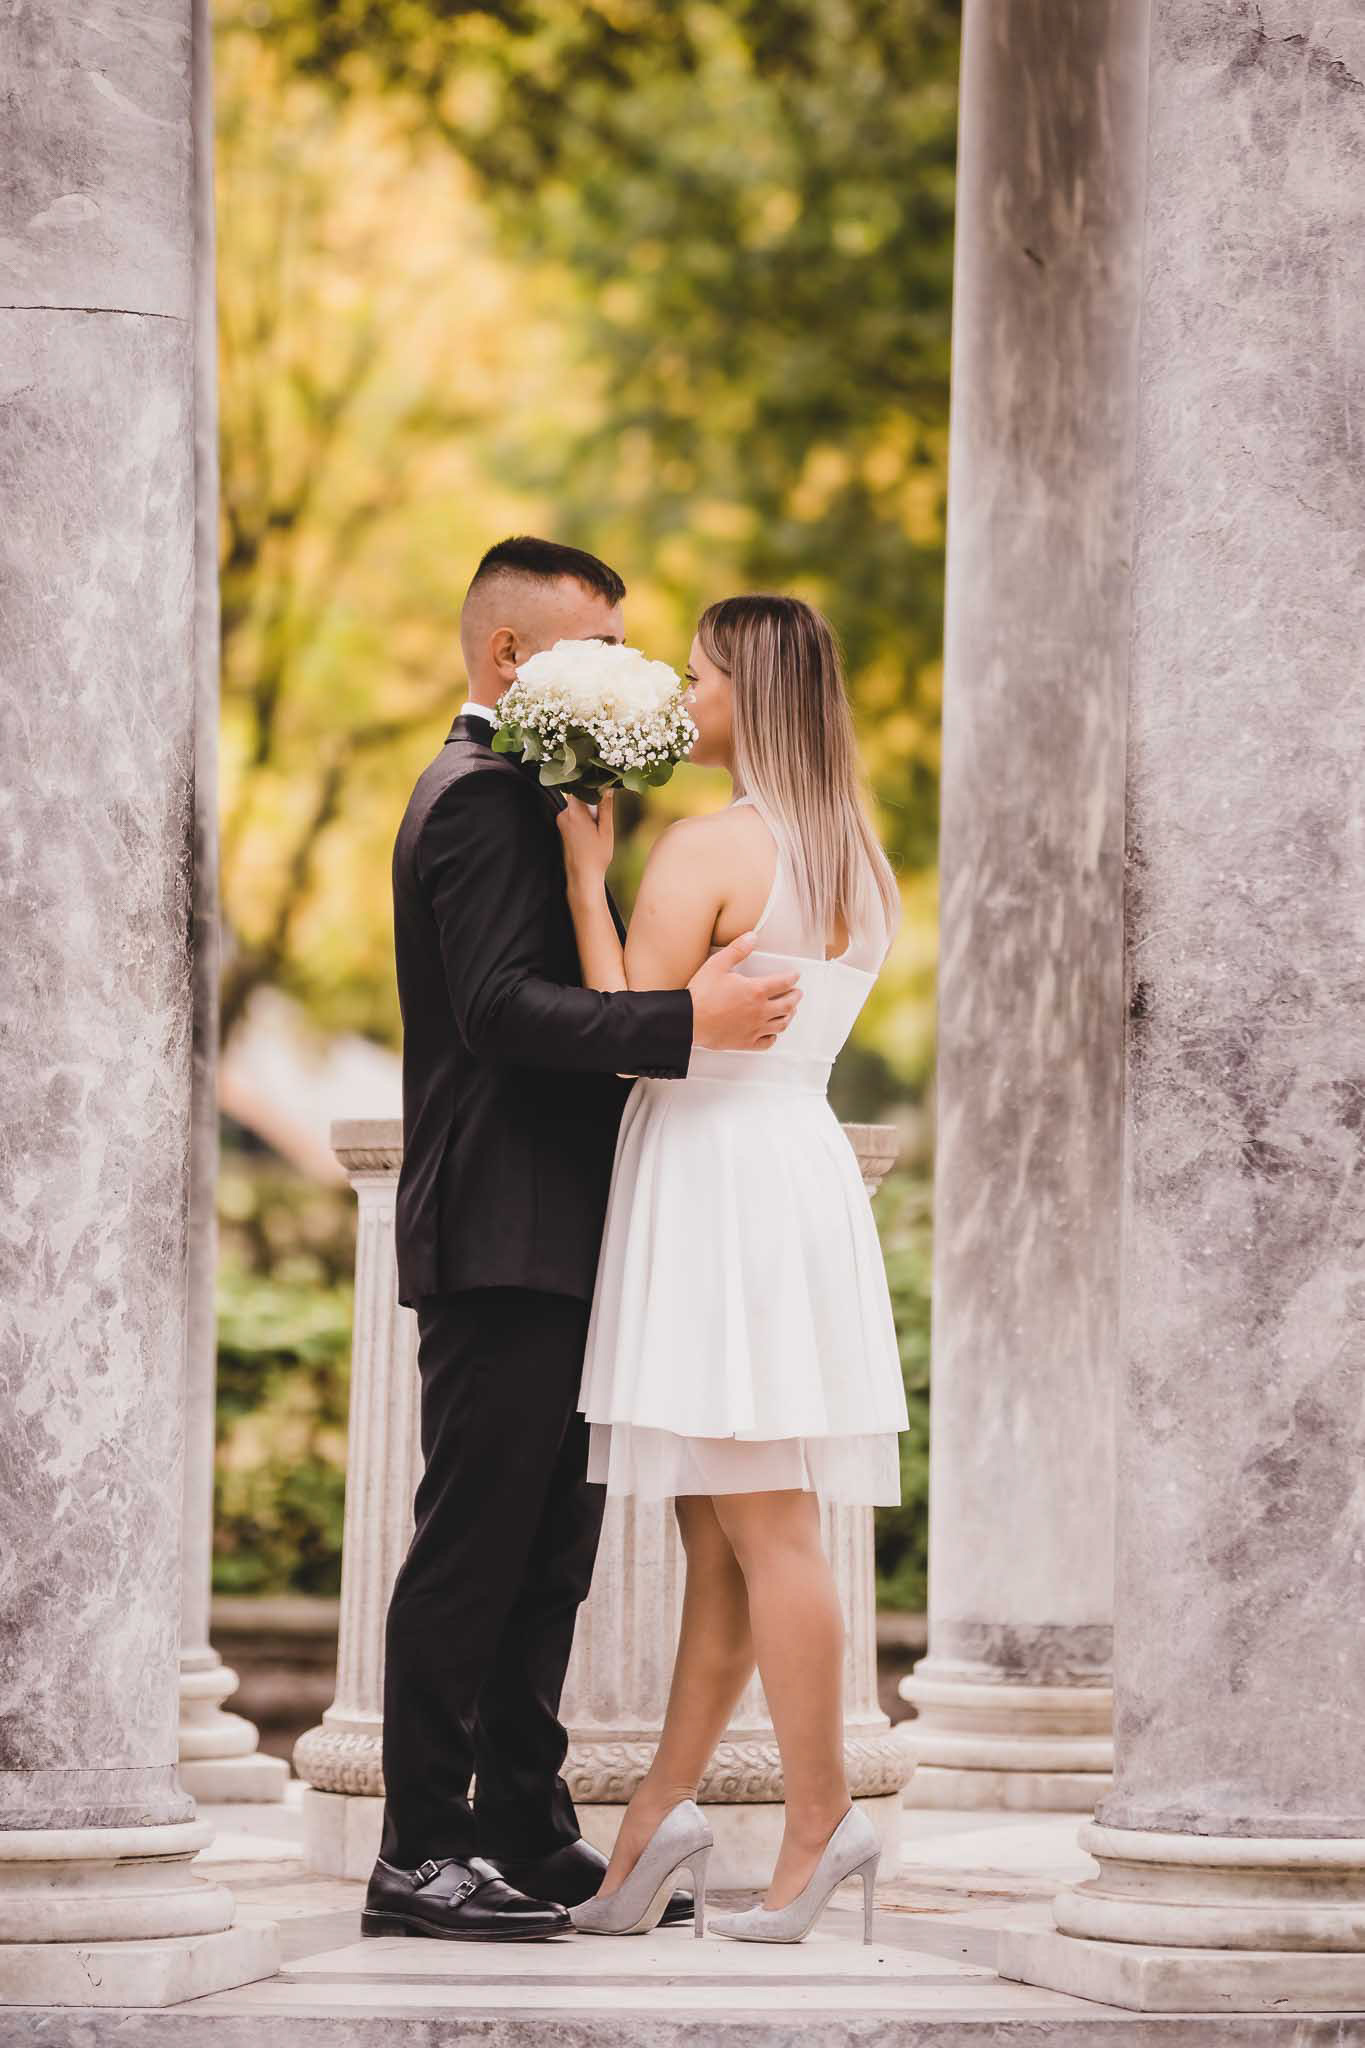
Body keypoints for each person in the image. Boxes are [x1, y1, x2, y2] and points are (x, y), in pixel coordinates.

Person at [362, 540, 805, 1944]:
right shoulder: (483, 798)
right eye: (597, 647)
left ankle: (526, 1837)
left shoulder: (533, 800)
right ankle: (419, 1849)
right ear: (509, 661)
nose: (628, 671)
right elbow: (500, 1011)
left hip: (555, 1230)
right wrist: (689, 1026)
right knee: (474, 1548)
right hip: (502, 1228)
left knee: (546, 1554)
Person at [556, 594, 908, 1945]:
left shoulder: (709, 846)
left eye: (699, 679)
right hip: (788, 1168)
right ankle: (657, 1813)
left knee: (764, 1524)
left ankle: (819, 1823)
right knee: (721, 1532)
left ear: (748, 697)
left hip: (712, 1177)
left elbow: (631, 1034)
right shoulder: (854, 859)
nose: (683, 701)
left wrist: (587, 882)